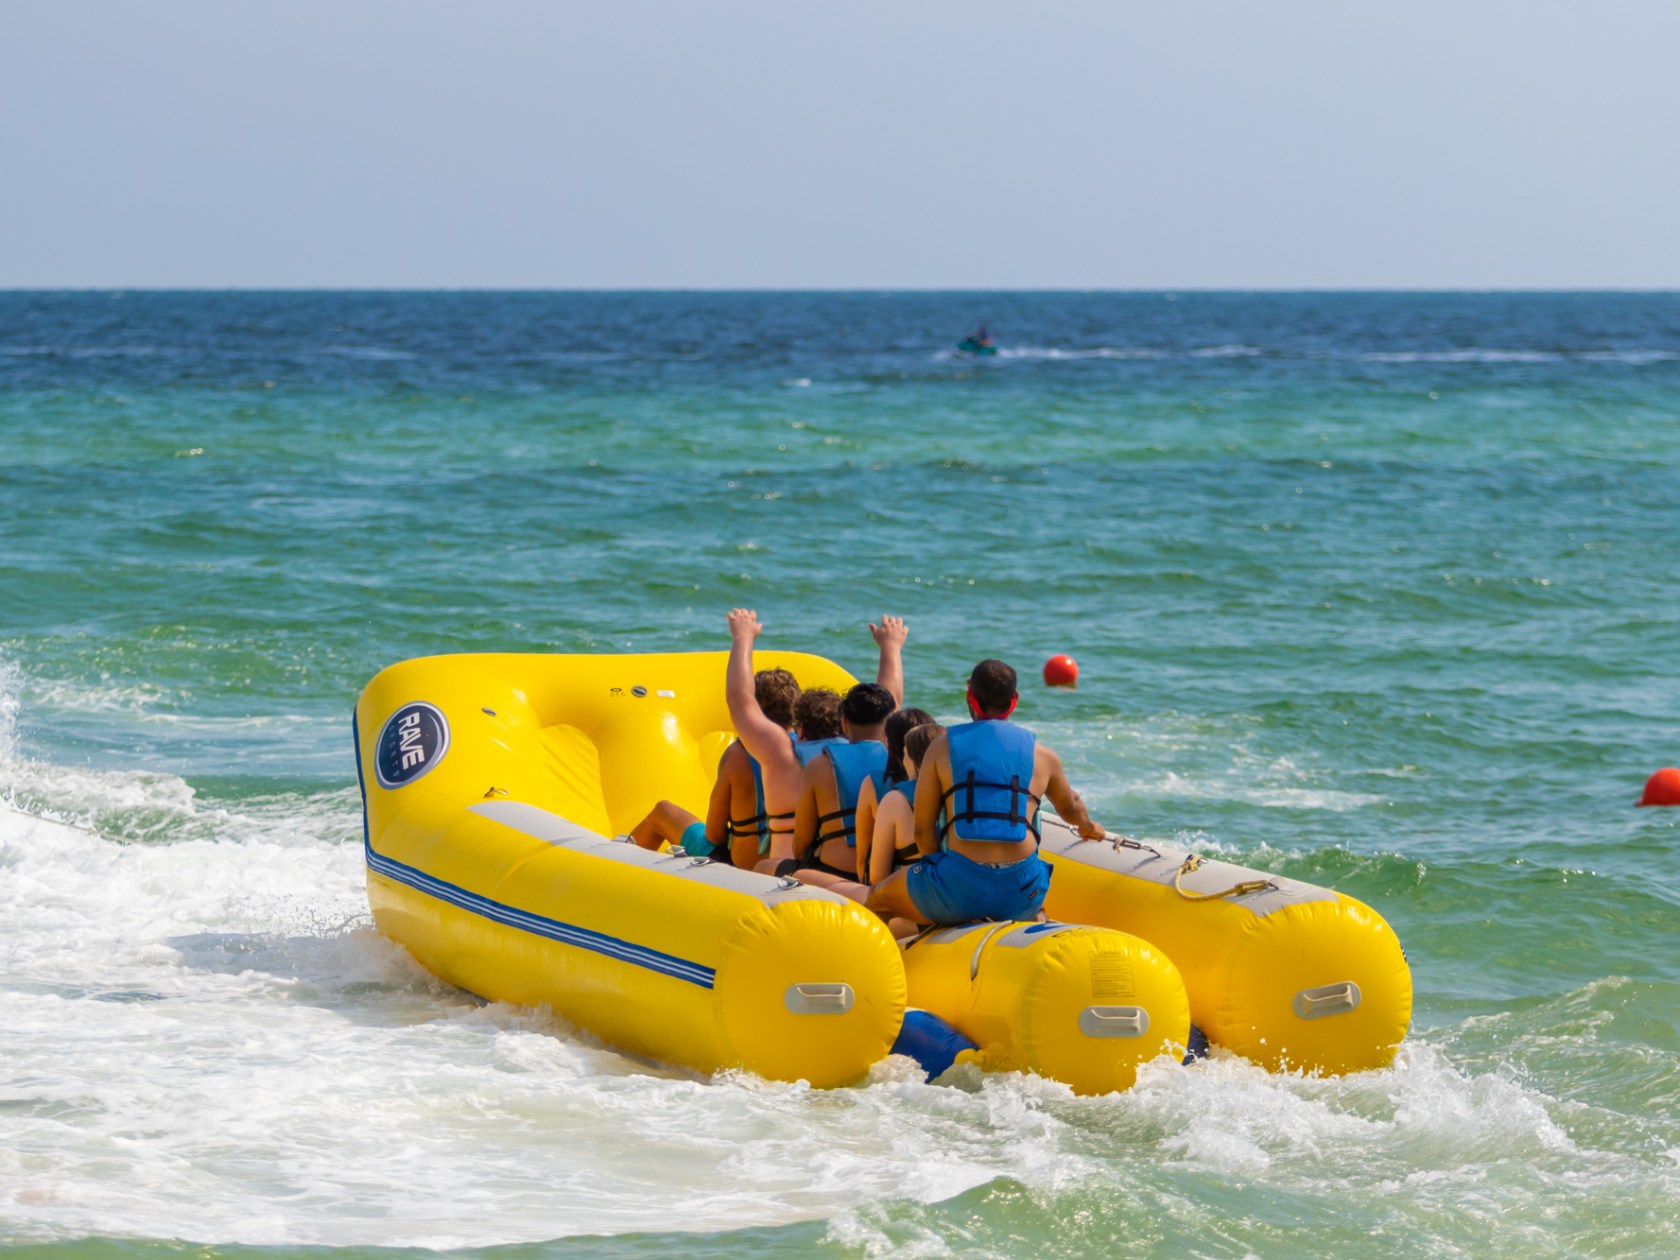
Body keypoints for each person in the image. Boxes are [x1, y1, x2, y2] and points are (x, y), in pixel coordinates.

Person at [867, 659, 1104, 926]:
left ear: (970, 697)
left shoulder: (941, 748)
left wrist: (938, 874)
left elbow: (923, 830)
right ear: (1013, 700)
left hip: (959, 887)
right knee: (1029, 883)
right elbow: (1071, 806)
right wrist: (1088, 826)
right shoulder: (1042, 755)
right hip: (1023, 889)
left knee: (876, 897)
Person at [719, 608, 906, 867]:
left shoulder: (784, 756)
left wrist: (742, 636)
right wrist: (892, 647)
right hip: (861, 870)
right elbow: (889, 702)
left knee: (762, 867)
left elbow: (740, 701)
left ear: (801, 729)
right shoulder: (875, 749)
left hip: (793, 871)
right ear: (844, 726)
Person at [770, 679, 897, 881]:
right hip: (887, 875)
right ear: (890, 722)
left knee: (764, 867)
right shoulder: (900, 761)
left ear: (844, 723)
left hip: (834, 873)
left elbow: (800, 846)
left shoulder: (820, 765)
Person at [852, 707, 935, 881]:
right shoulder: (948, 788)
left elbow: (864, 860)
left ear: (889, 743)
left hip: (902, 891)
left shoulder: (877, 786)